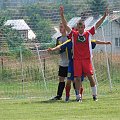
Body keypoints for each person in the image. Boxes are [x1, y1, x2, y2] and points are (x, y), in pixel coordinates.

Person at [59, 6, 109, 101]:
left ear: (84, 27)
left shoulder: (88, 33)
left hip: (86, 59)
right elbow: (66, 25)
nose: (81, 28)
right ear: (77, 28)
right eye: (79, 27)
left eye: (82, 27)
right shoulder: (74, 34)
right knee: (77, 78)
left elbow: (97, 24)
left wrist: (104, 16)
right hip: (77, 60)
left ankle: (94, 96)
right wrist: (62, 15)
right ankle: (78, 97)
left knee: (90, 77)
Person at [50, 22, 69, 100]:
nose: (60, 29)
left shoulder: (70, 37)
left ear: (66, 28)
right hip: (62, 62)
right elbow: (58, 49)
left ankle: (77, 94)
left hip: (70, 63)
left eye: (62, 27)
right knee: (61, 79)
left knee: (72, 79)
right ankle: (59, 96)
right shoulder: (59, 39)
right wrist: (53, 51)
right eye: (59, 27)